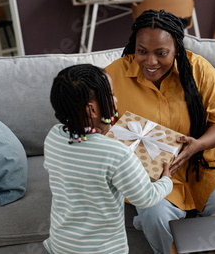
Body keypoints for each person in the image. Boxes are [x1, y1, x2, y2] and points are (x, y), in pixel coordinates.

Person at [105, 9, 215, 254]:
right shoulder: (114, 75)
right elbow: (100, 123)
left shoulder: (199, 69)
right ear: (133, 47)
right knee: (155, 216)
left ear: (176, 49)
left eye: (161, 53)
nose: (150, 61)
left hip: (205, 162)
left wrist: (198, 145)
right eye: (142, 51)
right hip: (150, 172)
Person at [43, 64, 173, 254]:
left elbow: (79, 162)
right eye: (110, 94)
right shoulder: (117, 153)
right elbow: (146, 197)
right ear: (92, 110)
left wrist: (100, 134)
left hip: (62, 244)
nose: (116, 99)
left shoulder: (53, 136)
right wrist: (166, 180)